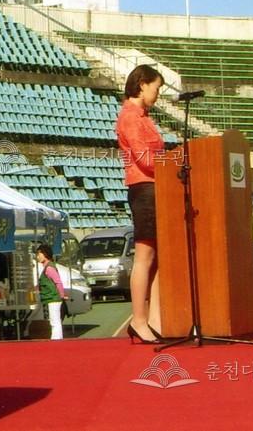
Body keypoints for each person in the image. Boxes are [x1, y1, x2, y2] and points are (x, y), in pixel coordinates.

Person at [116, 64, 166, 345]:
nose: (157, 94)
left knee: (156, 259)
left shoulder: (144, 117)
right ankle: (138, 319)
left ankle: (155, 319)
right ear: (143, 84)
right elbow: (145, 159)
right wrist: (173, 163)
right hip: (144, 189)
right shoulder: (131, 118)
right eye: (156, 88)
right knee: (144, 258)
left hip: (155, 188)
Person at [34, 244, 68, 340]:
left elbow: (58, 282)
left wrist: (61, 295)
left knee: (55, 321)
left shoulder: (49, 268)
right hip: (50, 297)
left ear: (45, 254)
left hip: (53, 297)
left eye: (39, 254)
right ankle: (57, 338)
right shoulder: (47, 268)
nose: (38, 257)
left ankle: (56, 339)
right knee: (54, 320)